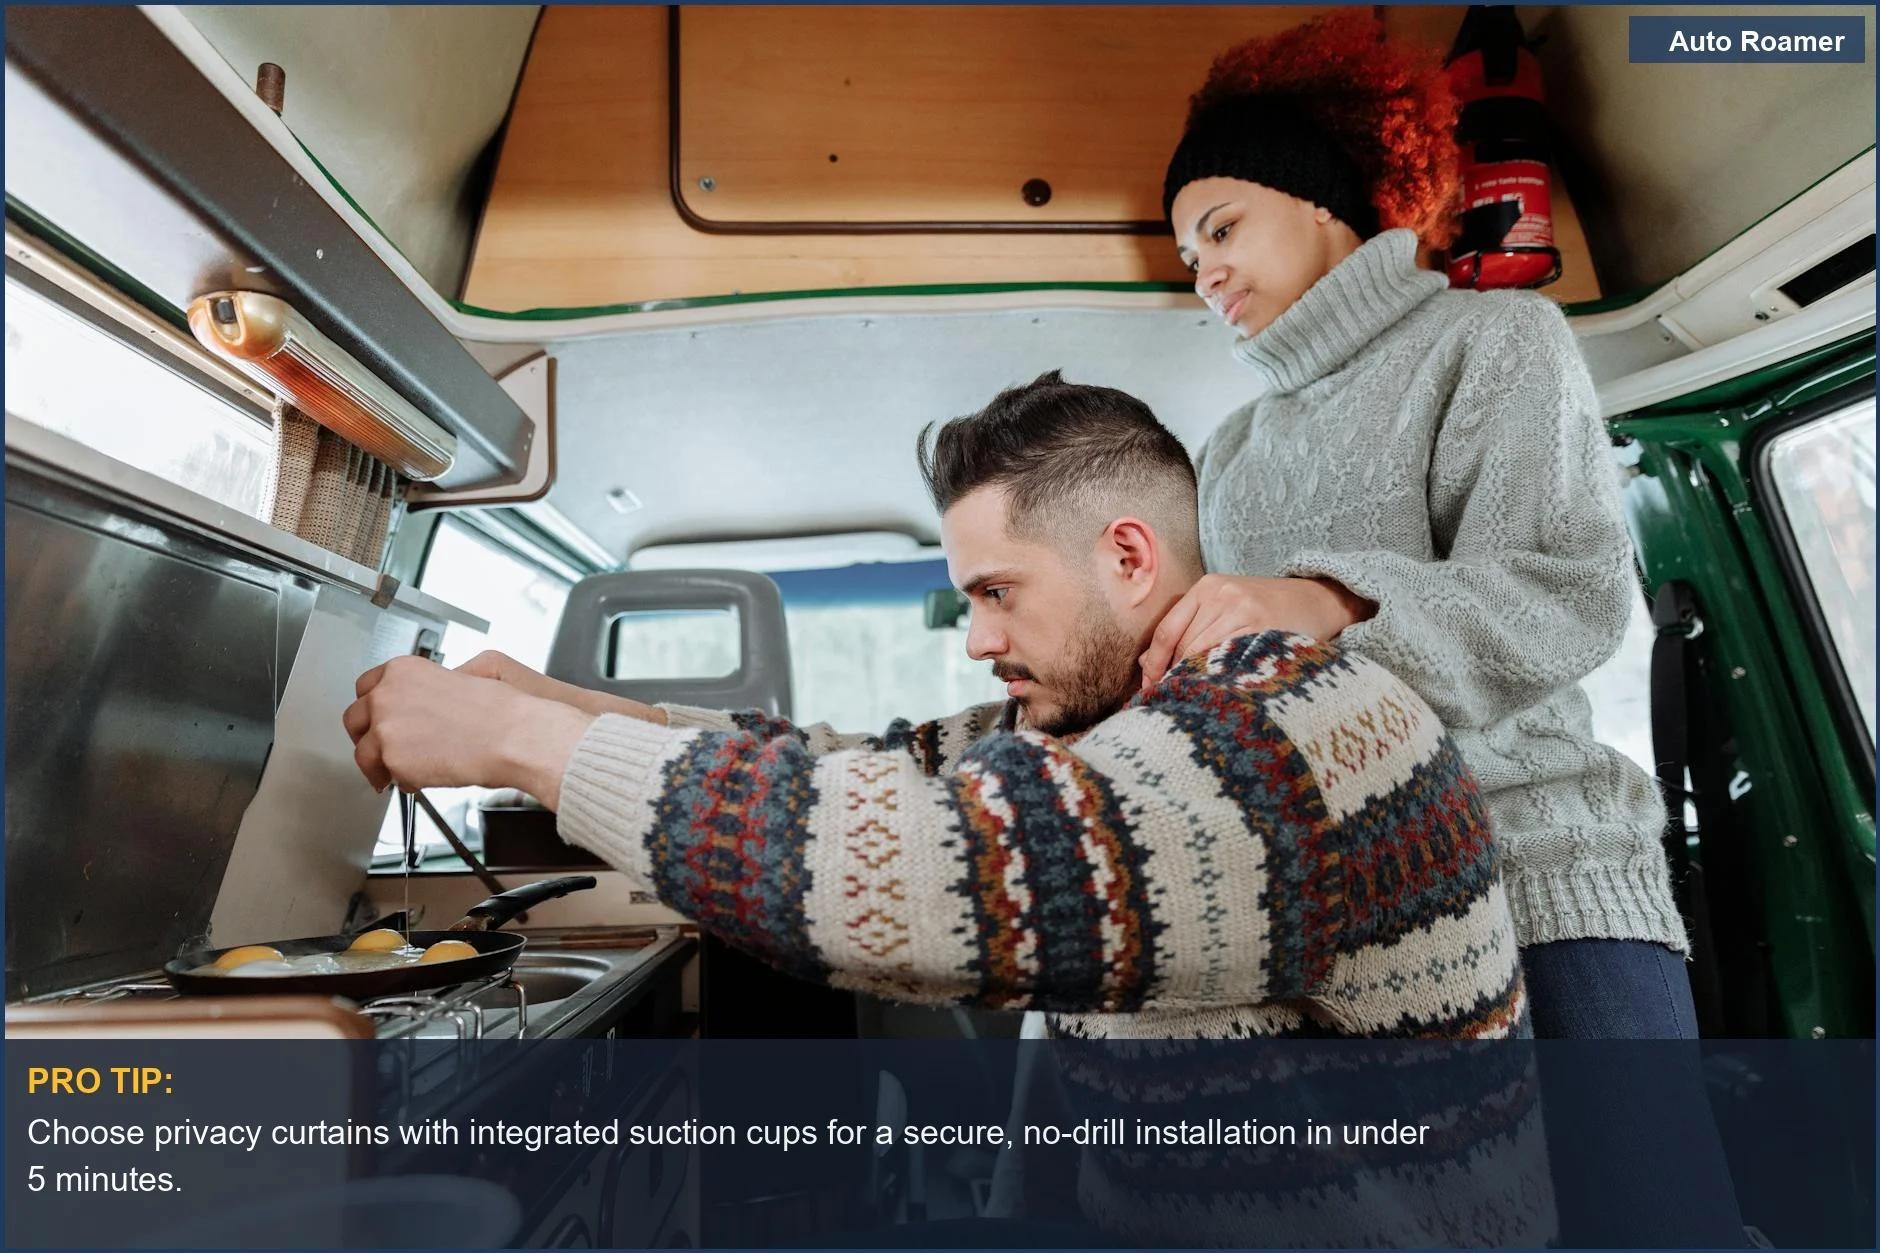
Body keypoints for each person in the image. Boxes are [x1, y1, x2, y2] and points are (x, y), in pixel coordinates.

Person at [344, 371, 1526, 1042]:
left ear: (1127, 556)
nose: (978, 639)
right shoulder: (1111, 721)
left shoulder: (1296, 724)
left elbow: (923, 870)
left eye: (997, 592)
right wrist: (552, 697)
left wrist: (512, 741)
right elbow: (859, 764)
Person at [1140, 12, 1689, 1039]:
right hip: (1340, 912)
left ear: (1322, 204)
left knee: (1643, 1206)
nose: (1200, 271)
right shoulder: (1227, 451)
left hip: (1539, 878)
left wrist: (1328, 601)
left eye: (1219, 227)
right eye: (1184, 252)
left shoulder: (1495, 338)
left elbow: (1564, 595)